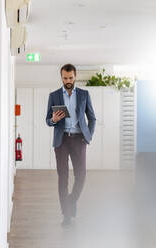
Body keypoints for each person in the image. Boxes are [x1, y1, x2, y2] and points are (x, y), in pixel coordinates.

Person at [45, 64, 96, 227]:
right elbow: (47, 120)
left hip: (79, 139)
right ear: (61, 77)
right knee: (63, 178)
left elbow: (92, 118)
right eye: (65, 78)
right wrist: (54, 120)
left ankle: (71, 201)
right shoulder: (54, 96)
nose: (68, 81)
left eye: (71, 78)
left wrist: (88, 136)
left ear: (75, 76)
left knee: (81, 176)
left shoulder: (84, 94)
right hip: (62, 141)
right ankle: (66, 215)